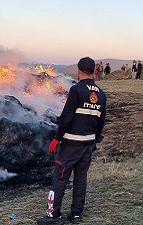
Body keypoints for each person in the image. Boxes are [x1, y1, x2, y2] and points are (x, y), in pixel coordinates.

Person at [37, 57, 107, 225]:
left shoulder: (76, 90)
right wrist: (94, 142)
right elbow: (101, 122)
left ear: (79, 70)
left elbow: (66, 117)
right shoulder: (101, 95)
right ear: (94, 71)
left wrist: (56, 138)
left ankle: (53, 216)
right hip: (88, 144)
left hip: (71, 144)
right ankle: (76, 215)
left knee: (60, 178)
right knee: (81, 179)